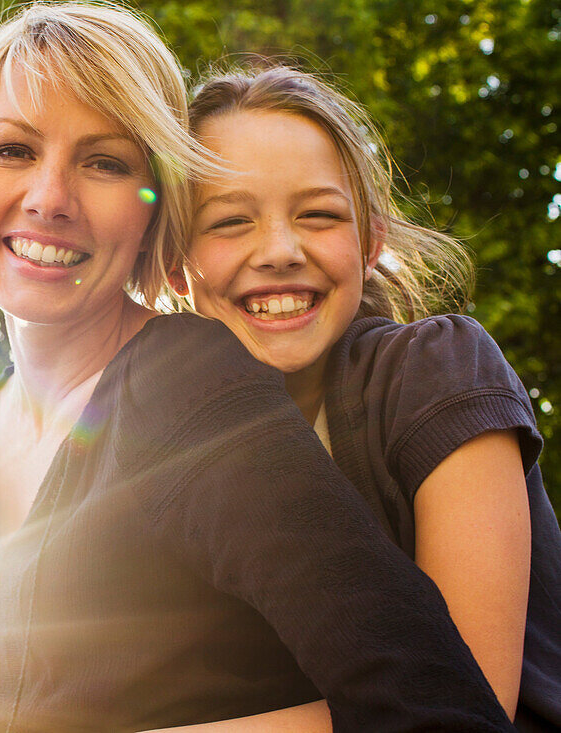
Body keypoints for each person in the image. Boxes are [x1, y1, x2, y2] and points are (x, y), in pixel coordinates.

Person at [0, 3, 516, 731]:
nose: (50, 198)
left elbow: (439, 698)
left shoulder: (184, 377)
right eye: (12, 150)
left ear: (152, 214)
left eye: (106, 162)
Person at [175, 64, 561, 732]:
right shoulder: (179, 454)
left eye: (319, 215)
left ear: (370, 240)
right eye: (231, 220)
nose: (279, 250)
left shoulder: (439, 370)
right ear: (176, 264)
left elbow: (460, 702)